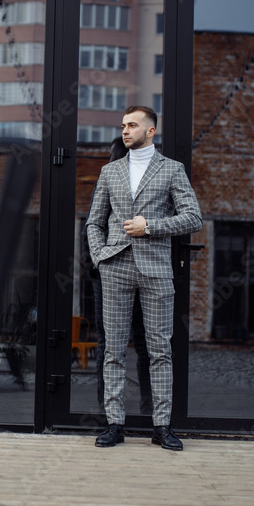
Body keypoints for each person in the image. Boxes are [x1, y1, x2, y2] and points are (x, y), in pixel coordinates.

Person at [86, 106, 202, 451]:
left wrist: (150, 227)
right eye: (123, 125)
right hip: (115, 266)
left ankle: (162, 426)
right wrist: (100, 255)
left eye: (132, 125)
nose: (125, 130)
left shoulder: (172, 170)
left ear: (150, 131)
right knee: (113, 350)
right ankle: (114, 423)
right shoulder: (110, 172)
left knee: (159, 350)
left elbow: (193, 218)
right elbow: (94, 221)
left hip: (156, 270)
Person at [82, 137, 151, 414]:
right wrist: (100, 263)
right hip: (111, 273)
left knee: (133, 343)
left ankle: (145, 410)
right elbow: (91, 226)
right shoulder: (110, 180)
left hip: (144, 272)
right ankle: (113, 411)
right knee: (118, 343)